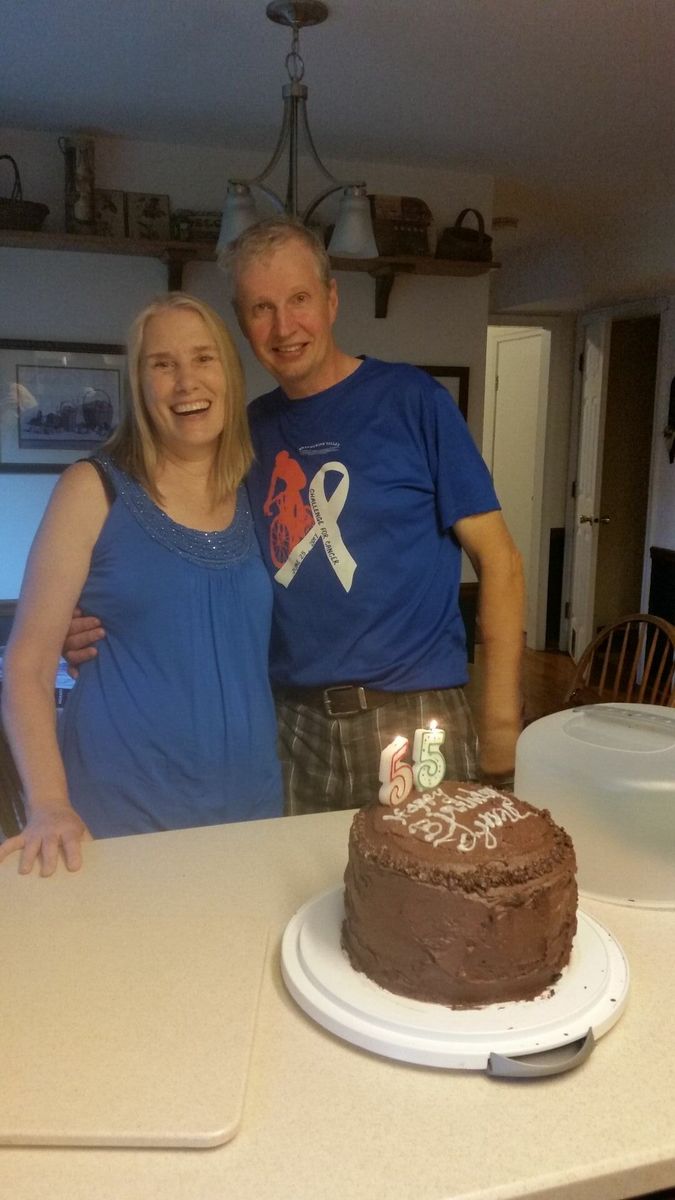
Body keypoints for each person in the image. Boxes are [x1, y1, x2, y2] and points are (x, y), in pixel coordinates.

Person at [65, 218, 525, 817]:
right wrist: (94, 621)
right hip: (289, 726)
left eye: (299, 299)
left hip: (413, 716)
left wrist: (500, 725)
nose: (284, 327)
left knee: (422, 875)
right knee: (290, 878)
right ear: (242, 321)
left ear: (331, 300)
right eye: (262, 308)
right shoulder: (240, 435)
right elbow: (187, 554)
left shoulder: (415, 402)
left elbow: (500, 561)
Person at [0, 293, 283, 876]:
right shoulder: (90, 489)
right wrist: (49, 805)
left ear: (229, 374)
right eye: (162, 364)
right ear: (139, 384)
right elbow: (26, 664)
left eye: (203, 358)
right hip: (120, 812)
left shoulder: (259, 490)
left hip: (251, 808)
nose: (186, 382)